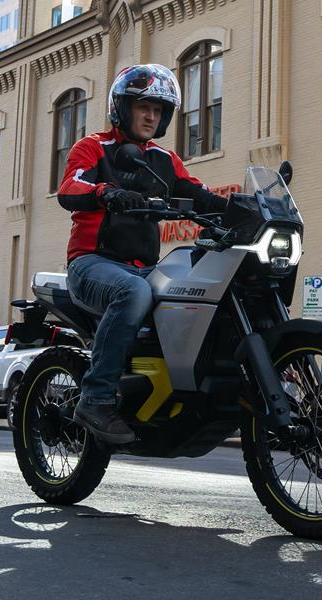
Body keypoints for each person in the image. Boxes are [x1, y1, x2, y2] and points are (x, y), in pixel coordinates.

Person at [57, 64, 228, 443]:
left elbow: (198, 193)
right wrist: (106, 192)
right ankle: (96, 398)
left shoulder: (164, 161)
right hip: (92, 264)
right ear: (123, 107)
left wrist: (241, 207)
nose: (151, 116)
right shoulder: (92, 147)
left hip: (147, 269)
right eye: (143, 107)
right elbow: (69, 187)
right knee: (133, 293)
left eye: (158, 109)